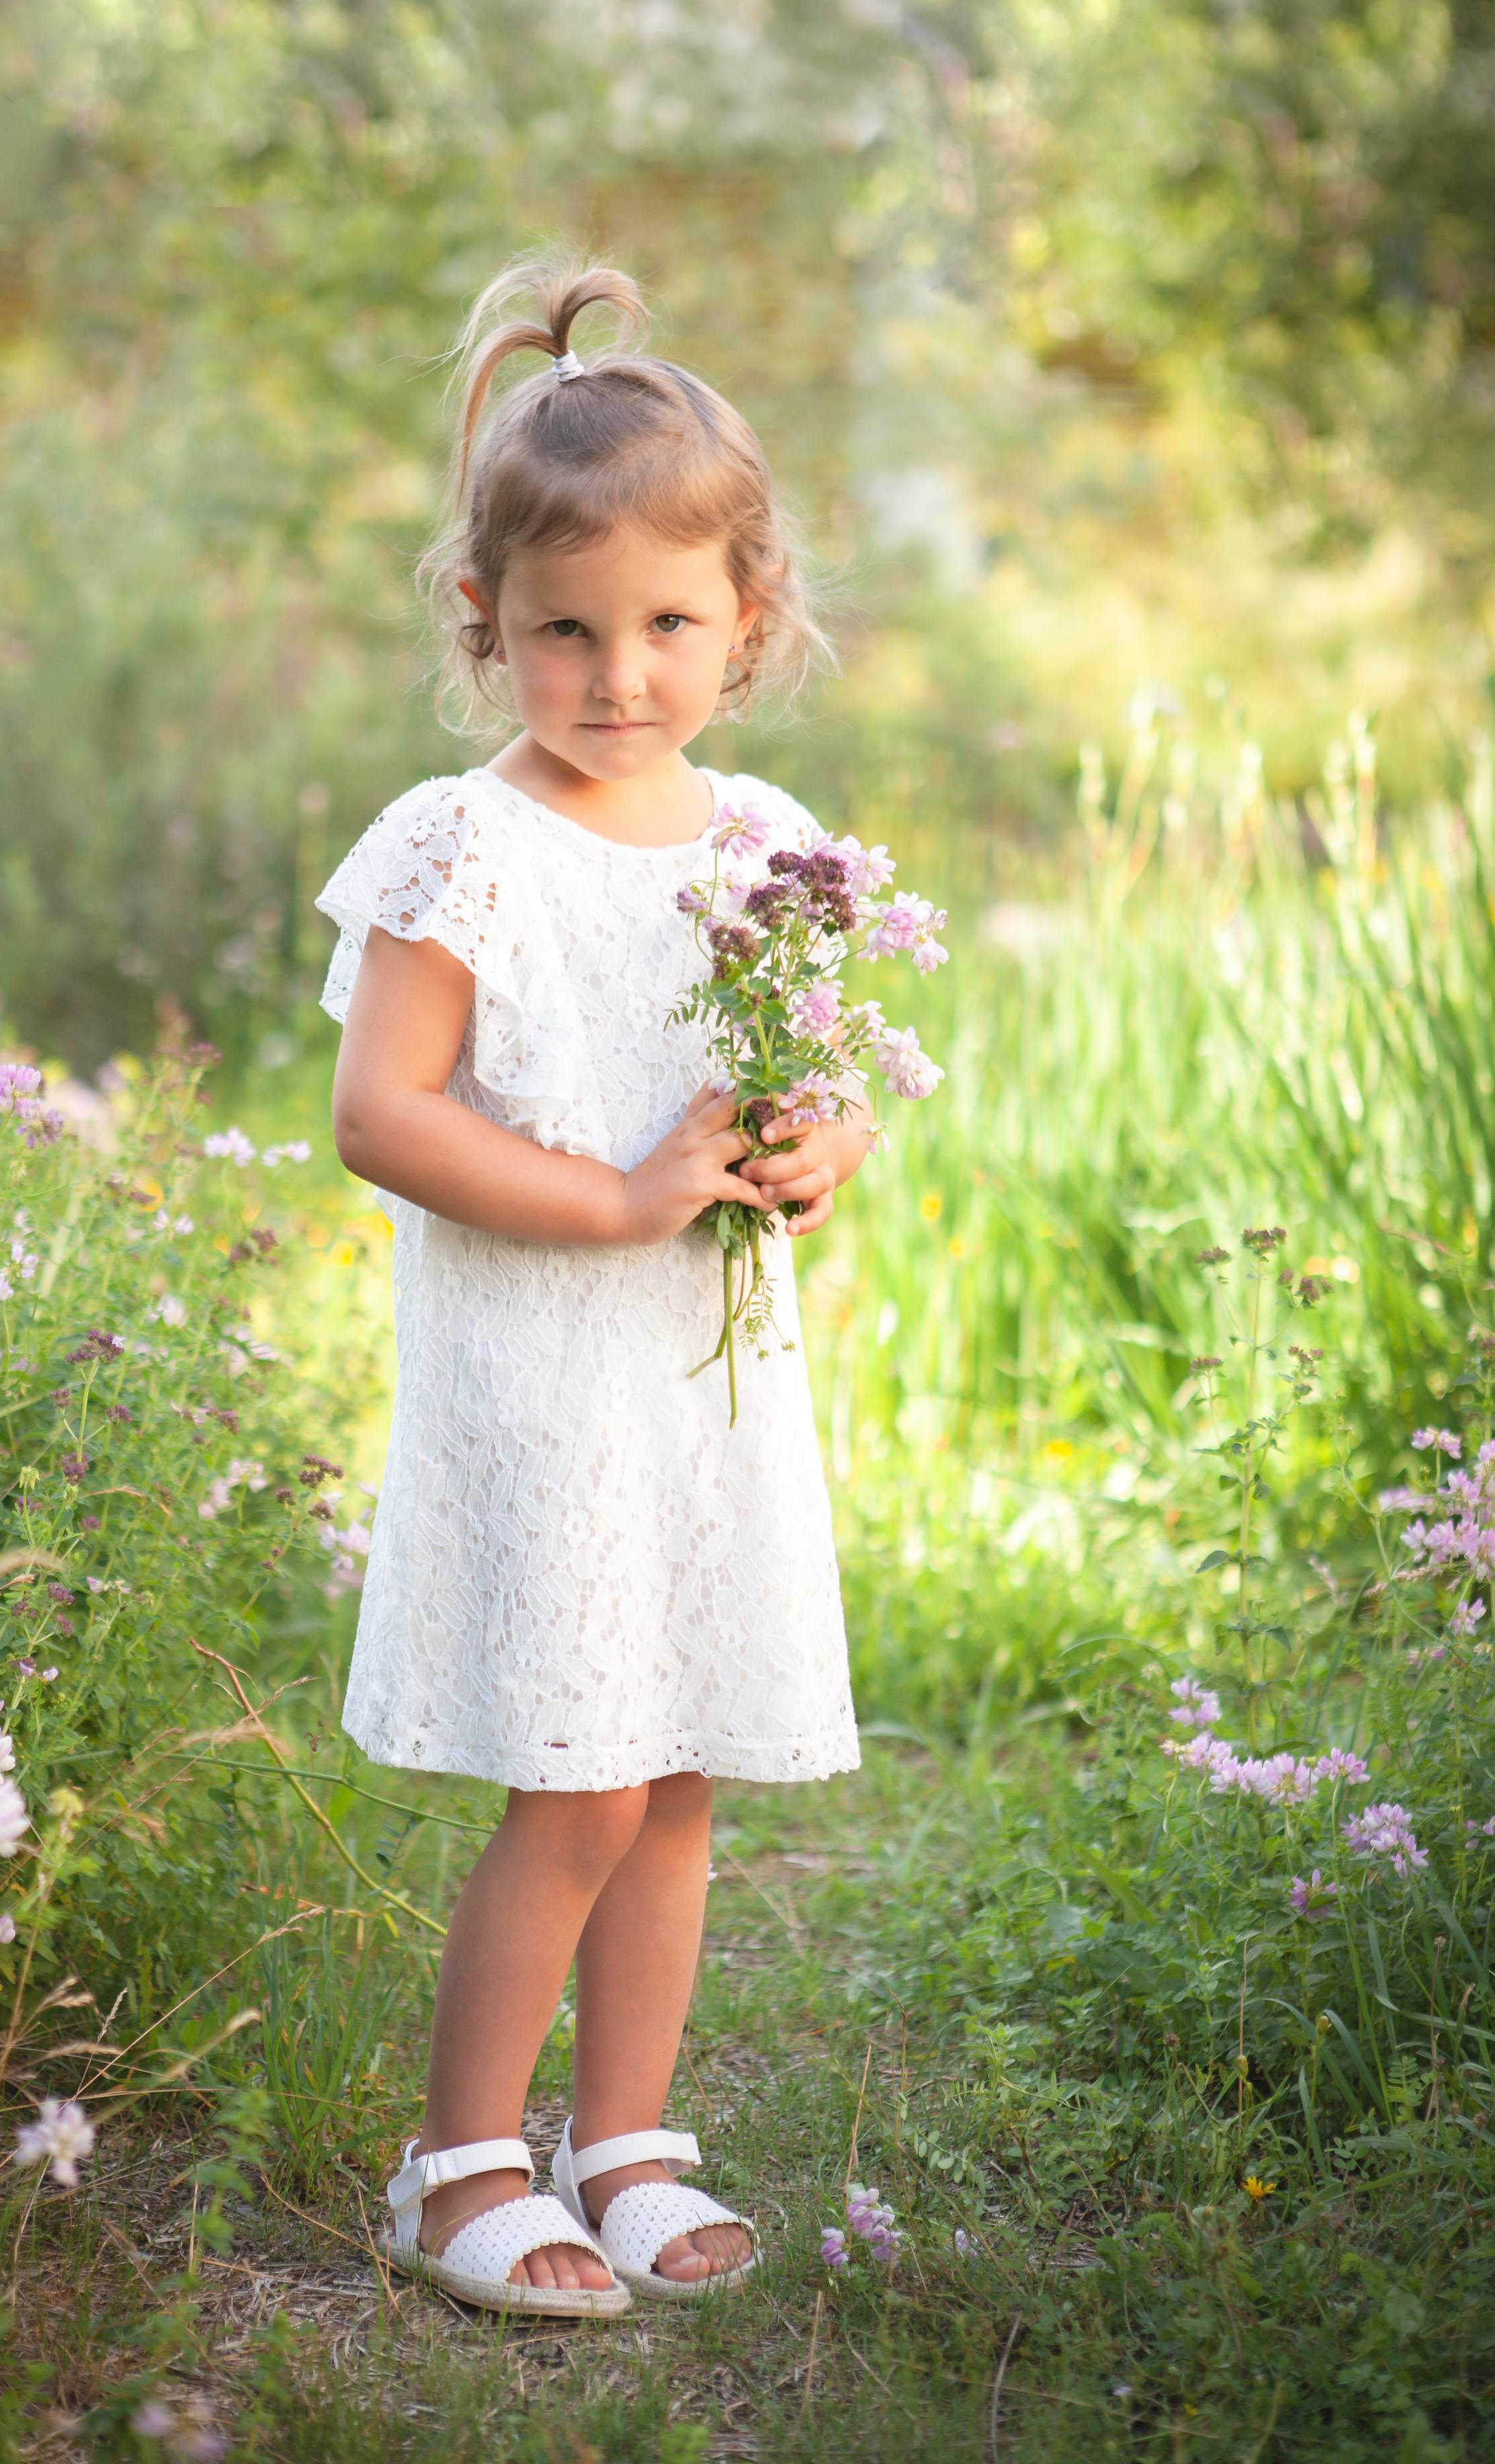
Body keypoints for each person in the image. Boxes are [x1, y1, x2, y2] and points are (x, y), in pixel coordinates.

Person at [318, 256, 868, 2317]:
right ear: (489, 623)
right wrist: (625, 1202)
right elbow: (388, 1115)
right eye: (563, 627)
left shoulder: (770, 837)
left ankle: (626, 2141)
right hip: (547, 1368)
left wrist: (820, 1149)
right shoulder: (461, 844)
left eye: (666, 625)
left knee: (684, 1770)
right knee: (582, 1776)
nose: (617, 671)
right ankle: (459, 2165)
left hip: (707, 1392)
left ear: (752, 620)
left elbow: (816, 1083)